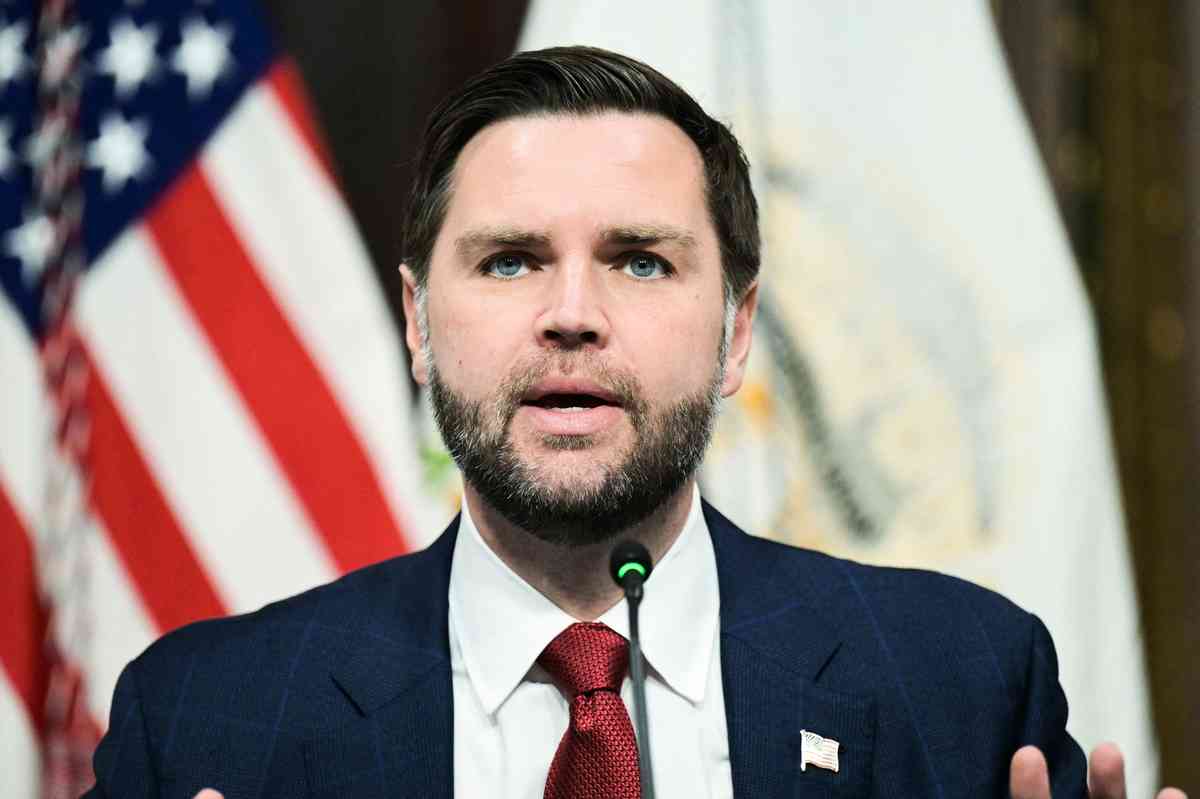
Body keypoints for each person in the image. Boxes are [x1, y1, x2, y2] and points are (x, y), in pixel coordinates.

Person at [85, 46, 1184, 799]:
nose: (572, 314)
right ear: (418, 323)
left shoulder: (963, 687)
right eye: (510, 260)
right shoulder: (205, 722)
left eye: (641, 261)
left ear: (736, 331)